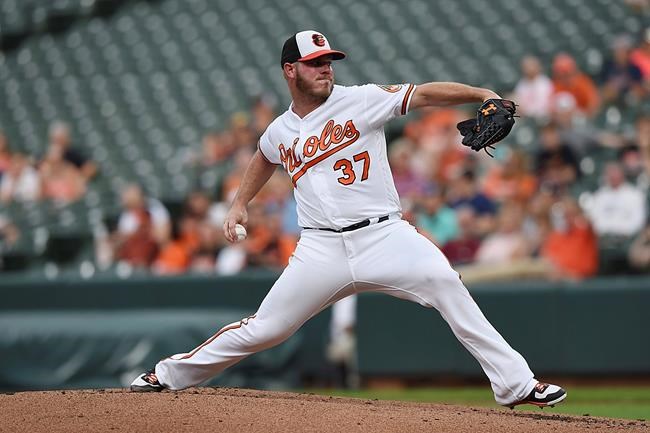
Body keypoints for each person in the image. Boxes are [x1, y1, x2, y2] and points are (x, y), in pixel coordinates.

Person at [131, 30, 566, 408]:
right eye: (315, 63)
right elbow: (264, 156)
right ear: (290, 70)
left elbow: (425, 94)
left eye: (329, 61)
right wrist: (239, 203)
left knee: (446, 283)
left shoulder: (361, 100)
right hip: (320, 249)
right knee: (265, 329)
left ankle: (516, 384)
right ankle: (168, 375)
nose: (326, 68)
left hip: (385, 235)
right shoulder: (280, 129)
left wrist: (482, 95)